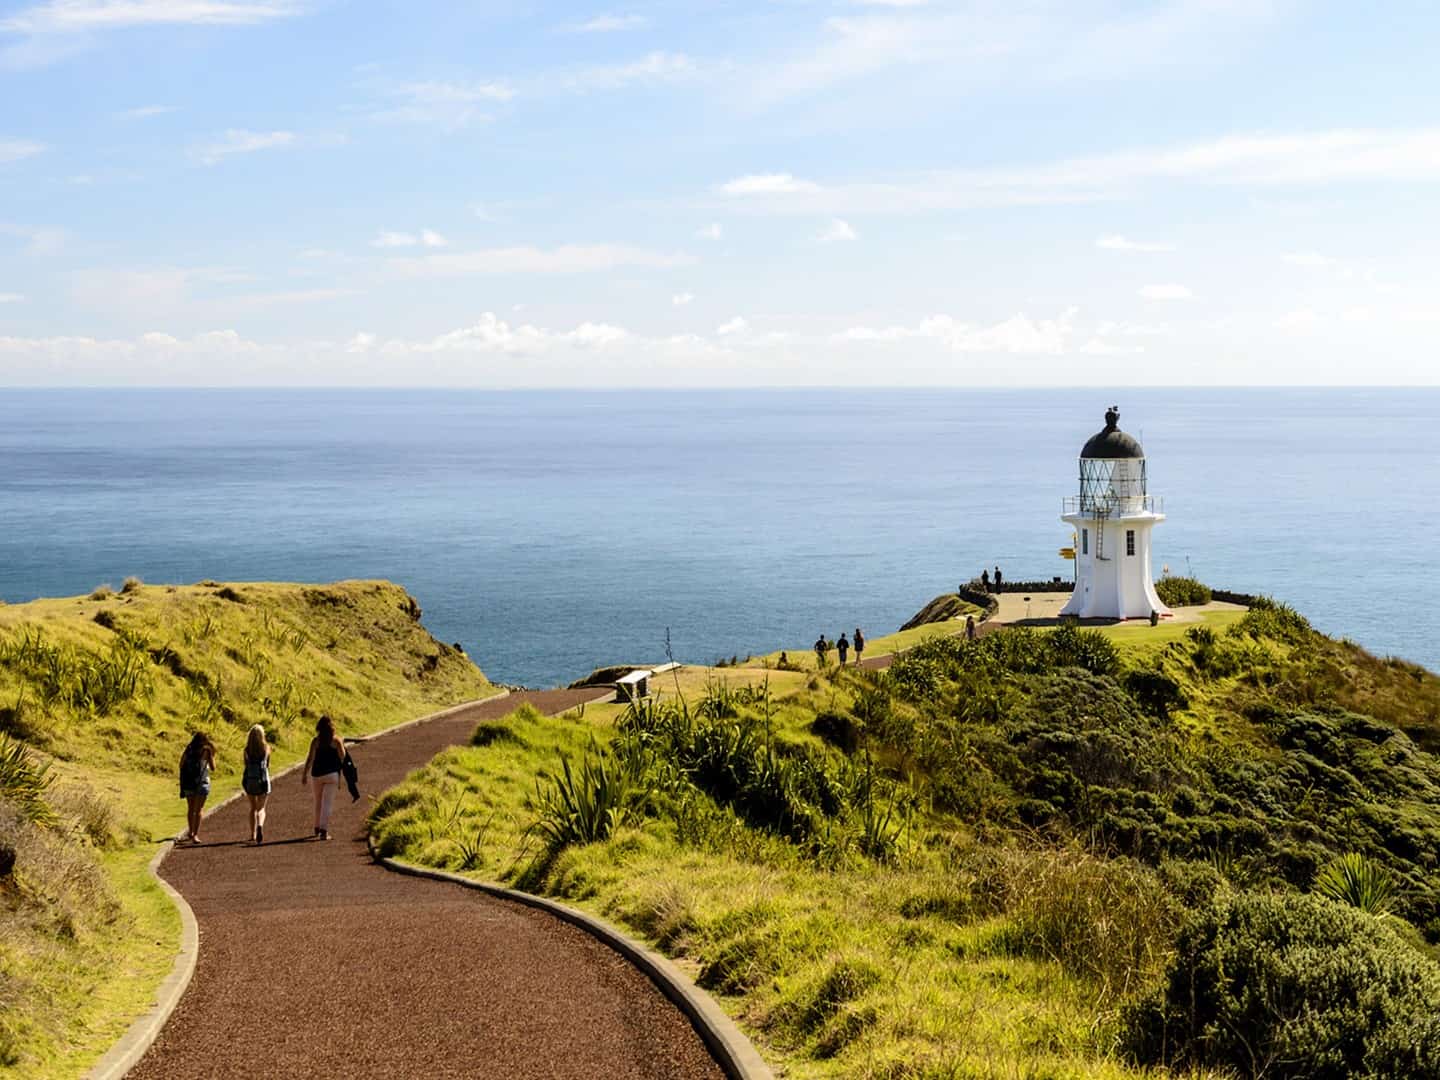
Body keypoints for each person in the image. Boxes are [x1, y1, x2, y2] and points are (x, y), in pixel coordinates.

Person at [302, 715, 347, 841]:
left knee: (318, 801)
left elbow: (310, 759)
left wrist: (305, 773)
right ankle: (324, 830)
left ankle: (316, 827)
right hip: (332, 775)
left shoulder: (316, 741)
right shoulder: (336, 741)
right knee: (327, 803)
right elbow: (343, 758)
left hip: (317, 775)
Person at [178, 732, 216, 844]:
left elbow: (181, 765)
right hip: (202, 782)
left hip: (189, 782)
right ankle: (195, 834)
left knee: (190, 808)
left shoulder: (188, 749)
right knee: (198, 809)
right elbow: (213, 767)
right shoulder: (206, 751)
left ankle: (190, 831)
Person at [242, 724, 272, 844]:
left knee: (252, 808)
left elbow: (246, 764)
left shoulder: (246, 750)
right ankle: (260, 825)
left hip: (250, 781)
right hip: (263, 781)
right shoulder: (266, 748)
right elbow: (267, 764)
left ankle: (252, 834)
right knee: (261, 808)